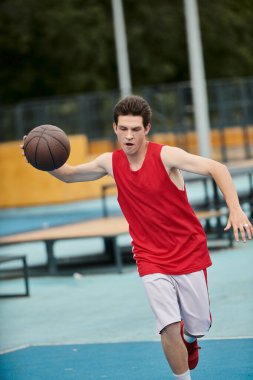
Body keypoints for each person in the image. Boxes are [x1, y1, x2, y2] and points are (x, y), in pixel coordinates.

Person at [21, 95, 252, 379]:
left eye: (135, 129)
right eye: (123, 129)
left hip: (188, 251)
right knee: (168, 326)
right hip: (149, 256)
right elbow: (69, 175)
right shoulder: (110, 162)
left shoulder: (167, 156)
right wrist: (40, 158)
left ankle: (191, 340)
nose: (129, 136)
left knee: (198, 325)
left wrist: (235, 208)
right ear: (115, 128)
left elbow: (217, 168)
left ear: (147, 129)